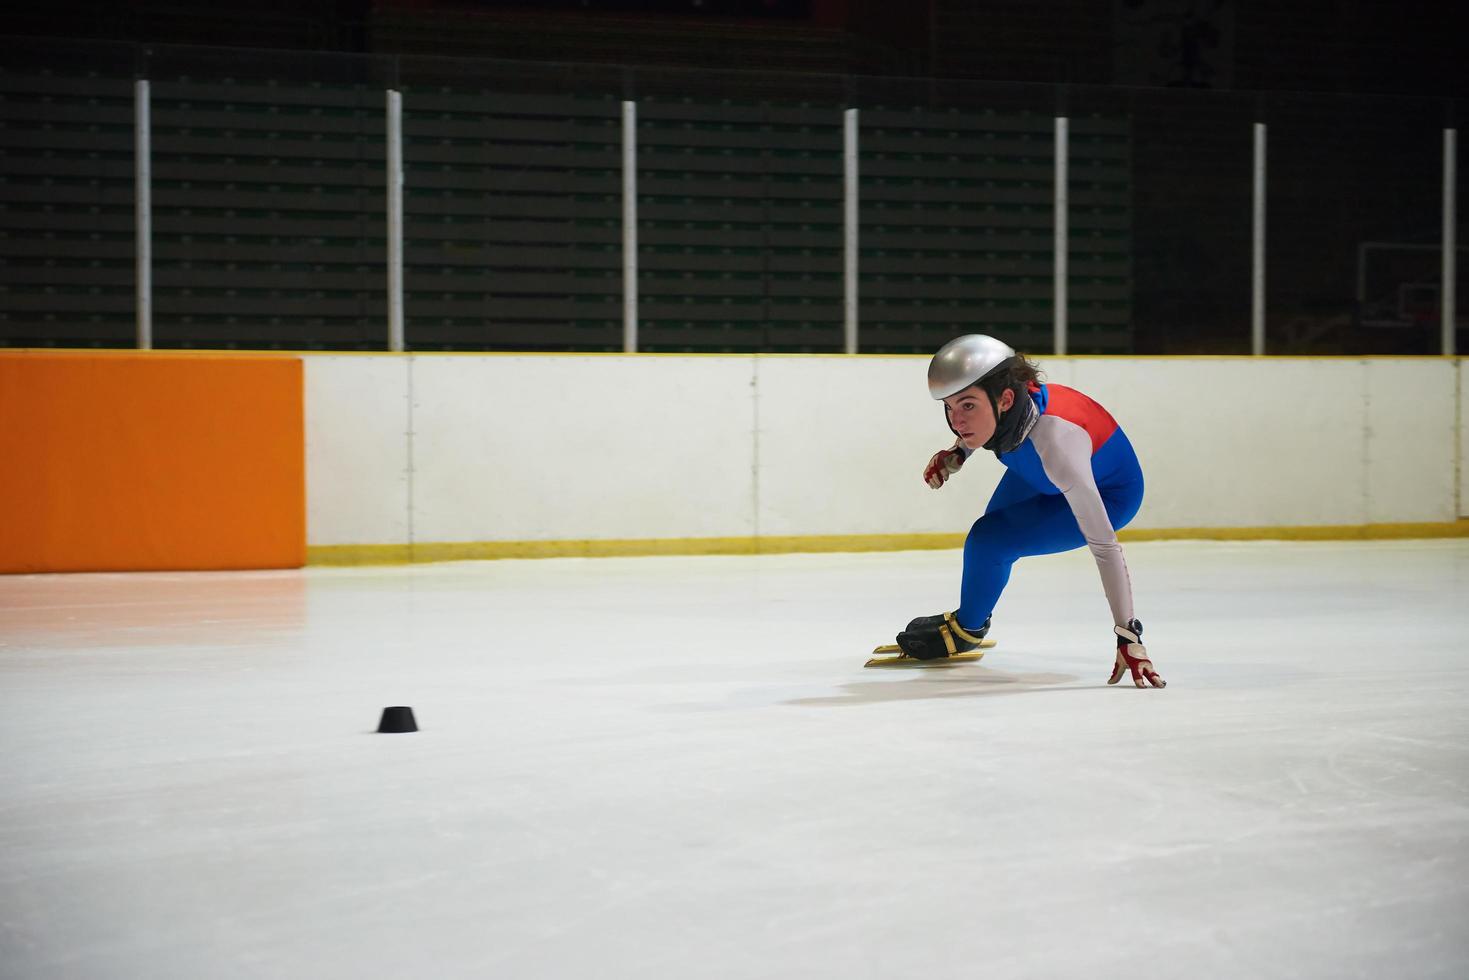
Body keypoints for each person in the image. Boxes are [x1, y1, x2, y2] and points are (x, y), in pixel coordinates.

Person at [896, 334, 1166, 688]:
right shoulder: (1013, 402)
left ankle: (967, 630)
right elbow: (982, 426)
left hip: (1108, 493)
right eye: (949, 407)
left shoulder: (1057, 442)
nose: (956, 421)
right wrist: (959, 452)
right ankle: (972, 619)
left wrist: (1128, 636)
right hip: (1042, 471)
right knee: (989, 534)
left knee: (989, 541)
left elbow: (1105, 547)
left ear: (1005, 399)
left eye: (967, 406)